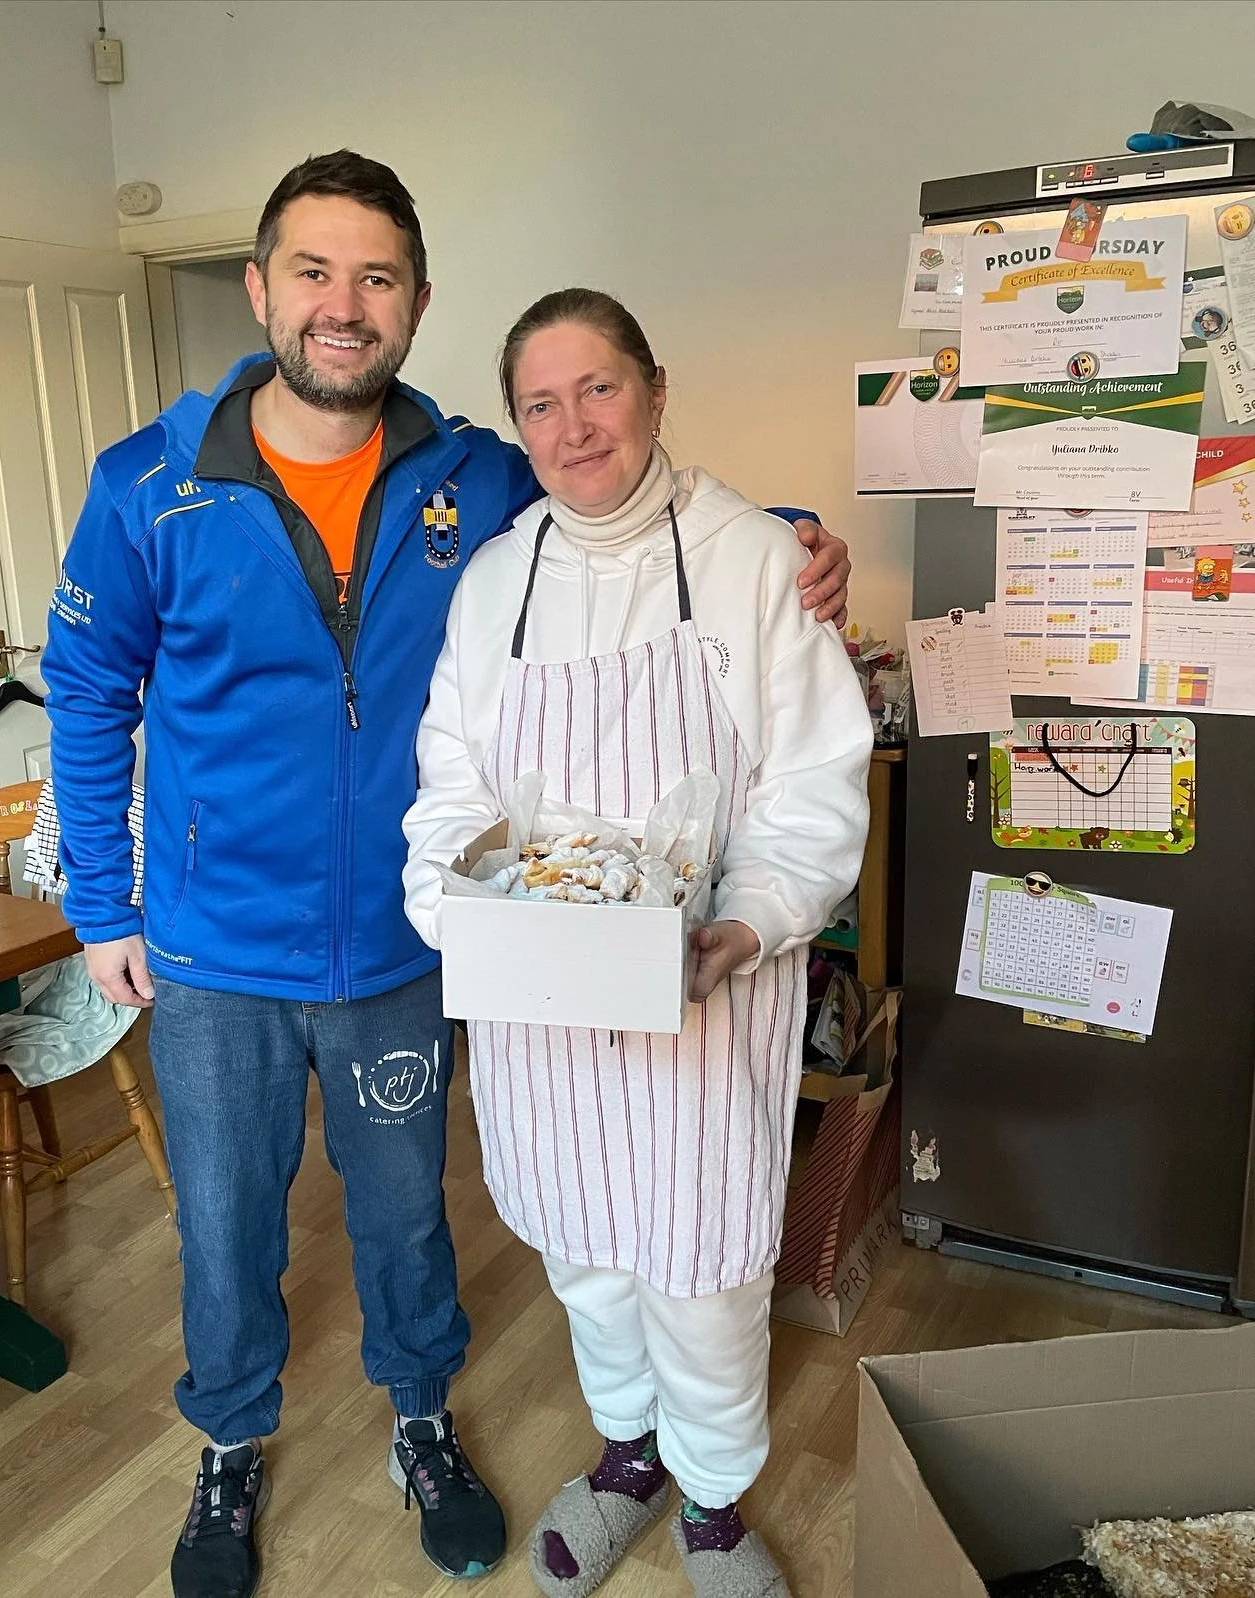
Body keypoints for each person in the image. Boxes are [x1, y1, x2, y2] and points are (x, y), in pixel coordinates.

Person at [42, 152, 852, 1598]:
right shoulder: (151, 486)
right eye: (313, 271)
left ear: (415, 301)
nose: (343, 307)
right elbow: (89, 687)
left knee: (420, 1219)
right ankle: (233, 1445)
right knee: (229, 1228)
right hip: (228, 945)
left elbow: (648, 518)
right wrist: (102, 904)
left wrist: (795, 536)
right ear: (260, 287)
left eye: (377, 278)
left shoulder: (466, 477)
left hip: (408, 962)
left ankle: (442, 1427)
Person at [403, 289, 872, 1598]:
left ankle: (714, 1502)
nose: (572, 425)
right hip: (538, 1002)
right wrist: (456, 909)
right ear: (520, 427)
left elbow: (815, 784)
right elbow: (450, 777)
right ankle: (627, 1456)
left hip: (709, 989)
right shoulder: (497, 580)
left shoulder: (754, 561)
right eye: (540, 403)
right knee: (585, 1248)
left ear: (655, 391)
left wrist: (750, 920)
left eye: (597, 389)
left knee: (704, 1269)